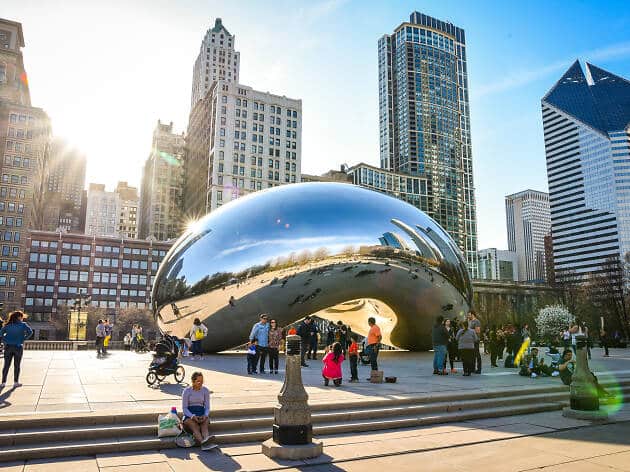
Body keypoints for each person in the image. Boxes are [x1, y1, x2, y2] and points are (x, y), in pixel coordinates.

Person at [0, 311, 33, 388]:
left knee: (6, 365)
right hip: (18, 346)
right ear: (19, 317)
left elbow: (1, 333)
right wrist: (23, 338)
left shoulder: (7, 325)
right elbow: (30, 332)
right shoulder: (23, 325)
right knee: (17, 365)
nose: (22, 318)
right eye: (21, 317)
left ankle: (3, 382)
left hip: (8, 346)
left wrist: (5, 340)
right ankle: (16, 382)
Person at [182, 371, 213, 447]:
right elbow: (184, 408)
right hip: (189, 415)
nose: (201, 383)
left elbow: (207, 407)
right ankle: (204, 443)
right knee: (195, 426)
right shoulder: (186, 391)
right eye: (198, 381)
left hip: (202, 413)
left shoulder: (205, 390)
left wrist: (205, 415)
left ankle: (206, 440)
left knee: (204, 426)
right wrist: (192, 416)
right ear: (193, 381)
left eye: (202, 381)